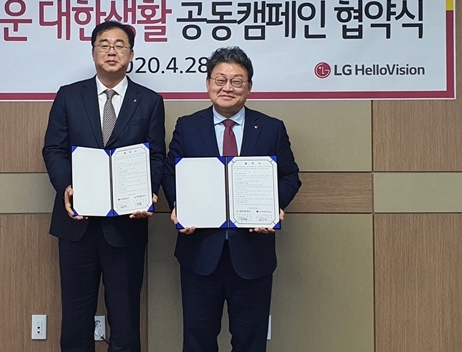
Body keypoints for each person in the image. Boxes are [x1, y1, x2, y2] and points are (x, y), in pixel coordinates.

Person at [162, 46, 301, 352]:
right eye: (220, 80)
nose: (228, 87)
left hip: (252, 254)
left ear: (249, 87)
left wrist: (273, 208)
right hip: (200, 252)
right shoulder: (188, 126)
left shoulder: (271, 128)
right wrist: (178, 206)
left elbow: (290, 176)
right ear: (208, 83)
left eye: (237, 81)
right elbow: (170, 174)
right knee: (197, 340)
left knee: (251, 342)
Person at [43, 20, 165, 352]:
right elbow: (54, 149)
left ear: (132, 55)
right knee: (76, 318)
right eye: (104, 44)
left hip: (126, 225)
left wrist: (148, 193)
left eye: (120, 45)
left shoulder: (149, 101)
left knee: (125, 318)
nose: (112, 51)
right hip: (77, 224)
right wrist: (66, 186)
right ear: (93, 52)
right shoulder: (69, 96)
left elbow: (156, 156)